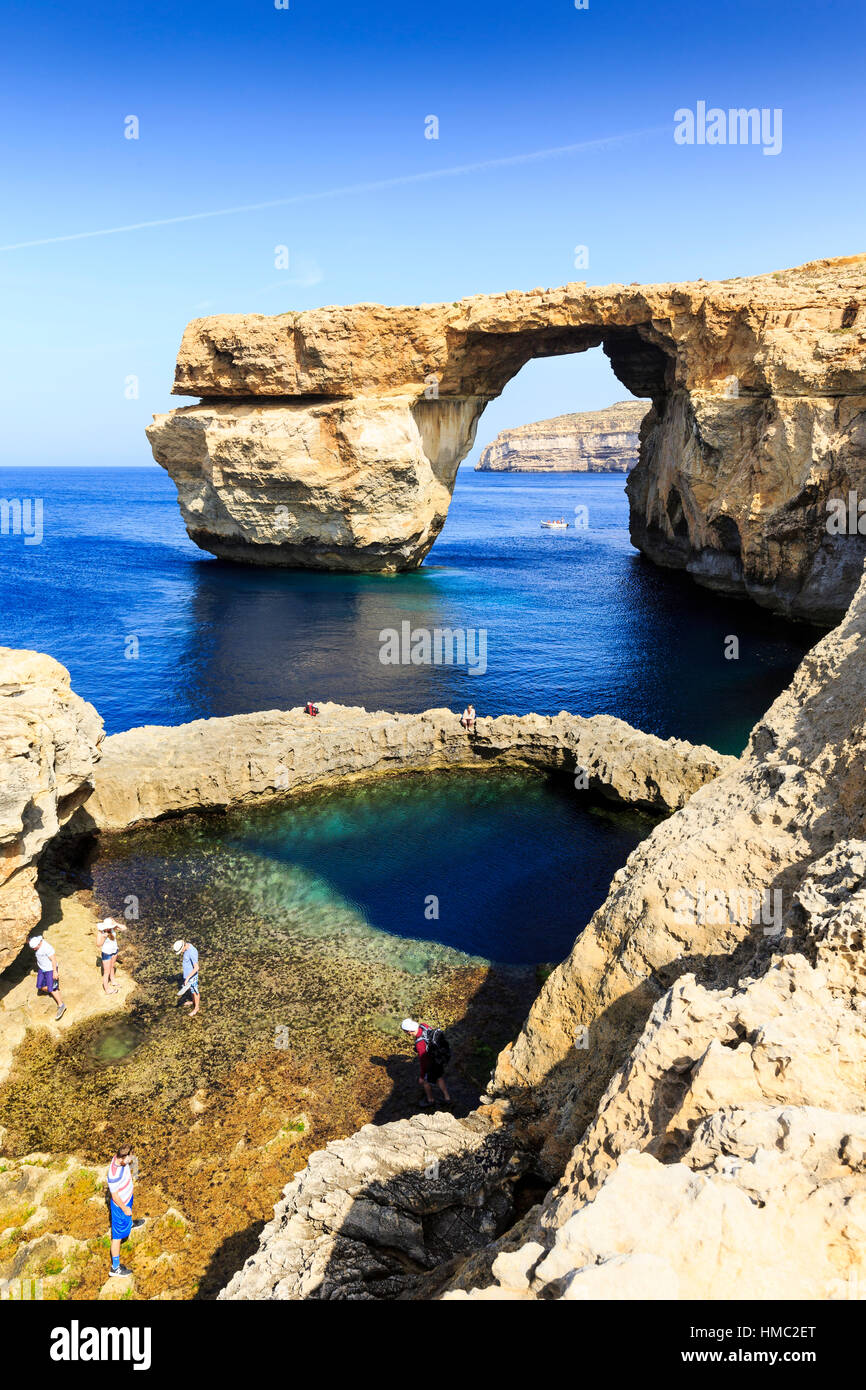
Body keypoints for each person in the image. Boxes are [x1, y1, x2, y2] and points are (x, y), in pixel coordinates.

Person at [106, 1142, 145, 1277]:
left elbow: (133, 1160)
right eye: (129, 1158)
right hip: (120, 1206)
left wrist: (135, 1175)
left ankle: (129, 1223)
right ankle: (115, 1268)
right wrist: (124, 1209)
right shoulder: (113, 1175)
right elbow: (115, 1196)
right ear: (122, 1159)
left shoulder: (122, 1159)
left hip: (128, 1198)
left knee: (127, 1216)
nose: (132, 1159)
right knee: (117, 1237)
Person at [401, 1018, 451, 1109]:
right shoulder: (423, 1025)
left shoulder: (419, 1044)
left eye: (405, 1032)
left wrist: (422, 1076)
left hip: (432, 1063)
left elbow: (423, 1062)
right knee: (439, 1077)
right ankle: (447, 1098)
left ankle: (430, 1100)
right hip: (438, 1059)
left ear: (409, 1032)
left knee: (425, 1082)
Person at [28, 934, 66, 1021]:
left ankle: (61, 1005)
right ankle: (51, 990)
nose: (33, 949)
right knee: (40, 986)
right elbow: (28, 940)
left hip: (50, 969)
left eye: (34, 948)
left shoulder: (46, 947)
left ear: (39, 944)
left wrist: (55, 972)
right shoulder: (34, 941)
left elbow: (53, 959)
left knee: (52, 988)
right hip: (42, 968)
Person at [96, 917, 125, 994]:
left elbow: (124, 928)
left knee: (112, 966)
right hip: (107, 953)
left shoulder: (112, 928)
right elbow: (98, 944)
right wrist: (103, 937)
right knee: (106, 972)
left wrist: (115, 923)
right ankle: (107, 990)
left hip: (114, 951)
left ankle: (113, 981)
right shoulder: (101, 932)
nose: (109, 928)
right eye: (108, 926)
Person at [173, 939, 200, 1017]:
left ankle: (196, 1008)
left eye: (181, 950)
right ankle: (193, 1001)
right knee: (191, 990)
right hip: (188, 976)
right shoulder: (188, 946)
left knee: (195, 992)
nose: (181, 952)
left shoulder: (191, 952)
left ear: (183, 947)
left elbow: (197, 967)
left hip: (192, 977)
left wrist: (188, 978)